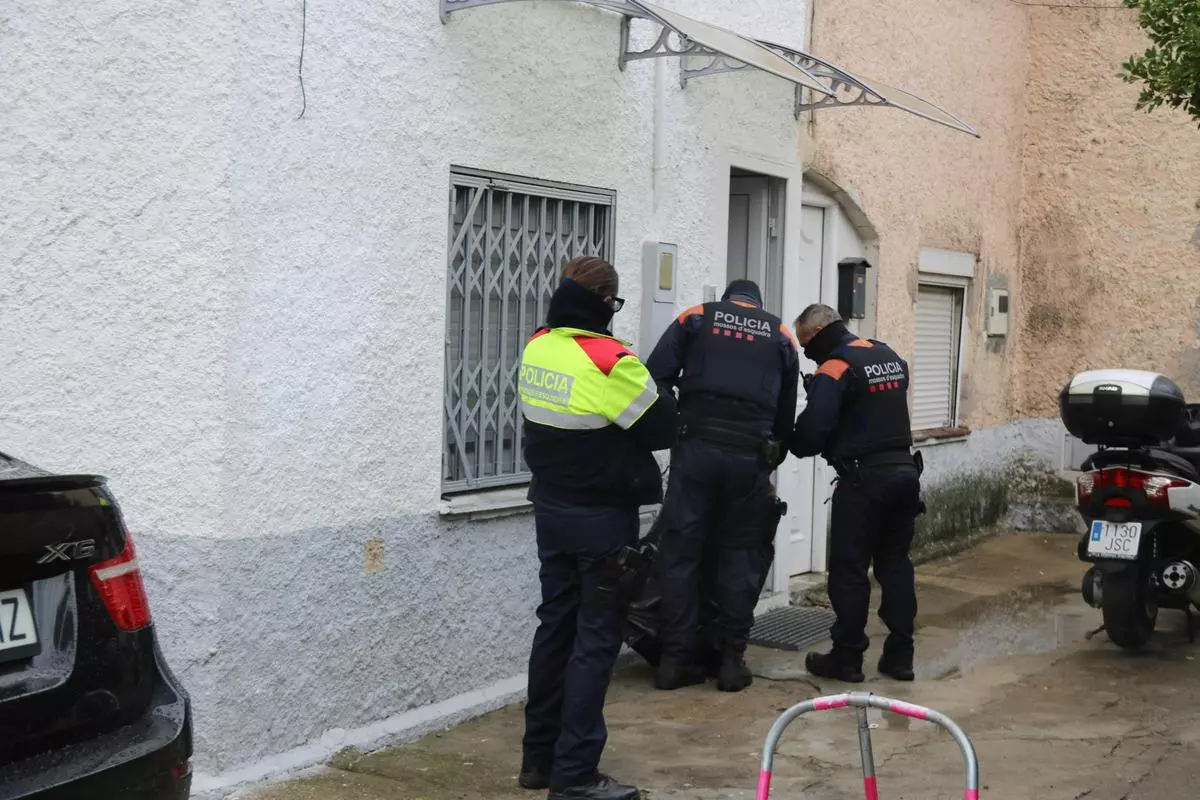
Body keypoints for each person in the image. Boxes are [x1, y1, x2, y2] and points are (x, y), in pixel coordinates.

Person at [518, 256, 678, 800]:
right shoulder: (612, 361)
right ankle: (576, 775)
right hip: (601, 520)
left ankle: (539, 760)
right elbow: (661, 427)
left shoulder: (538, 345)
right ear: (606, 303)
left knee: (554, 628)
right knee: (596, 639)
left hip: (550, 510)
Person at [645, 279, 799, 692]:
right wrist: (770, 453)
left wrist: (677, 423)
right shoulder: (781, 335)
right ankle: (731, 661)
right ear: (757, 304)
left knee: (680, 554)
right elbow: (785, 418)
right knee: (740, 555)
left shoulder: (696, 317)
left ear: (728, 299)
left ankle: (674, 662)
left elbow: (654, 378)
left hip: (695, 451)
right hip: (748, 459)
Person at [788, 303, 923, 684]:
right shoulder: (887, 355)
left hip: (865, 482)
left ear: (818, 333)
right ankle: (900, 656)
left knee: (849, 572)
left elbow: (812, 434)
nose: (807, 353)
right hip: (905, 475)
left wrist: (788, 440)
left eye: (806, 344)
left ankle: (847, 657)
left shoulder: (835, 367)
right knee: (895, 565)